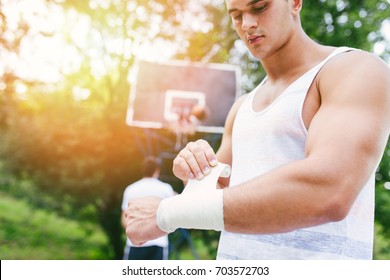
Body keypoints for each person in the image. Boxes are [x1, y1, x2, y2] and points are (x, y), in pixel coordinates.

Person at [124, 0, 390, 259]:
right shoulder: (241, 107)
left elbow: (330, 188)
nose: (247, 24)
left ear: (295, 3)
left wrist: (166, 213)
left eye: (260, 7)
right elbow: (216, 199)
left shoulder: (354, 70)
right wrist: (193, 170)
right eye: (236, 15)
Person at [121, 156, 175, 260]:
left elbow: (124, 219)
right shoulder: (166, 188)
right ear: (157, 170)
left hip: (135, 244)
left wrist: (138, 231)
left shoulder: (130, 189)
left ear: (143, 169)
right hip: (159, 242)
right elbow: (173, 216)